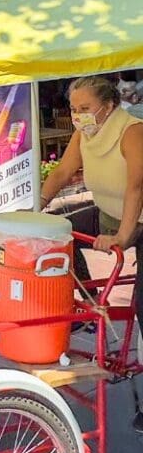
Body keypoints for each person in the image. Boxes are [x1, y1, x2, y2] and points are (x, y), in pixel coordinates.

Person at [40, 76, 143, 431]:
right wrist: (36, 208)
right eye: (74, 109)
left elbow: (136, 186)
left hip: (137, 215)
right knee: (59, 237)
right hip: (107, 210)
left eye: (85, 109)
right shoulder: (85, 134)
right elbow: (64, 171)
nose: (78, 116)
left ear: (109, 105)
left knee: (142, 306)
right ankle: (89, 300)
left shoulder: (131, 131)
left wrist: (124, 235)